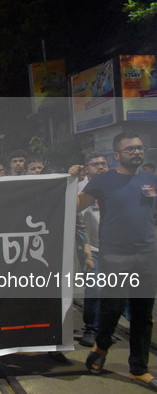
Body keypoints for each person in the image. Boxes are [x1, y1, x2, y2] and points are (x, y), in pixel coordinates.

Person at [70, 132, 157, 390]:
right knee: (111, 308)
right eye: (131, 149)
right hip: (114, 256)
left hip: (146, 255)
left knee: (143, 315)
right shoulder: (103, 181)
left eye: (140, 148)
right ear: (117, 155)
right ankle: (102, 345)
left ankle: (138, 369)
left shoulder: (150, 180)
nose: (137, 153)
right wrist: (71, 180)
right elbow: (74, 206)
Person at [77, 152, 108, 347]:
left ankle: (106, 327)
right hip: (92, 247)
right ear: (86, 168)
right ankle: (91, 327)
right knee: (95, 288)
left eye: (104, 163)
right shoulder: (80, 188)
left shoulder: (113, 184)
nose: (101, 167)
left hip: (113, 247)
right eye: (95, 164)